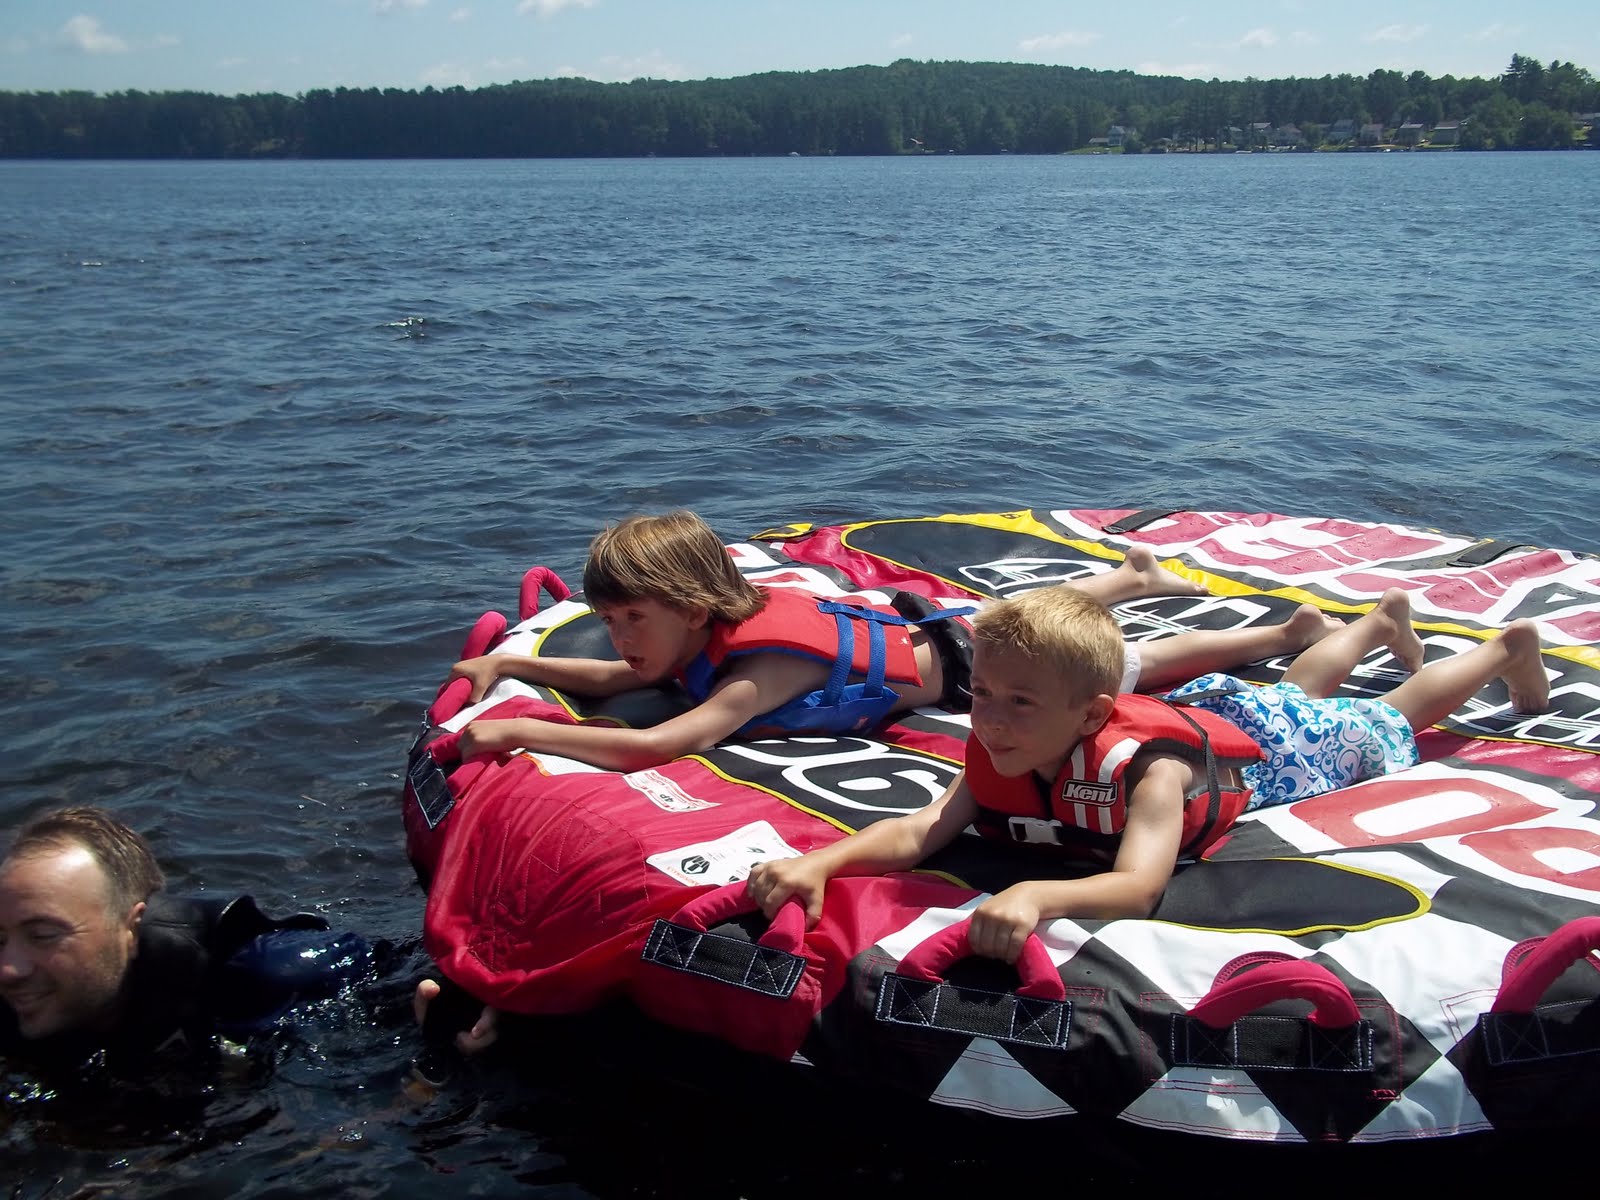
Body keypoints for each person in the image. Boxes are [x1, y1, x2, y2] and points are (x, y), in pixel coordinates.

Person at [745, 586, 1549, 965]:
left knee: (1390, 717)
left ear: (1091, 714)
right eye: (982, 694)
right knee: (1296, 686)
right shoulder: (1001, 744)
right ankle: (1375, 620)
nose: (989, 719)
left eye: (1020, 702)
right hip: (1215, 710)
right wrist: (824, 862)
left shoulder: (1150, 774)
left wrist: (1036, 895)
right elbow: (923, 829)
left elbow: (1138, 885)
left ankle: (1502, 649)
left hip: (1276, 749)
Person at [442, 509, 1347, 773]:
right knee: (1025, 605)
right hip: (937, 632)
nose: (619, 638)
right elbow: (609, 679)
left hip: (966, 668)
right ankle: (1129, 578)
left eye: (633, 617)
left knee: (1119, 660)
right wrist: (513, 661)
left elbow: (661, 744)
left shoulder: (761, 666)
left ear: (689, 603)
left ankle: (1282, 631)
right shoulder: (688, 640)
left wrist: (519, 728)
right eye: (612, 618)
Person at [0, 807, 371, 1075]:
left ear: (130, 929)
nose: (9, 970)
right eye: (0, 939)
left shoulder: (265, 979)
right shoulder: (14, 1003)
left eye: (43, 936)